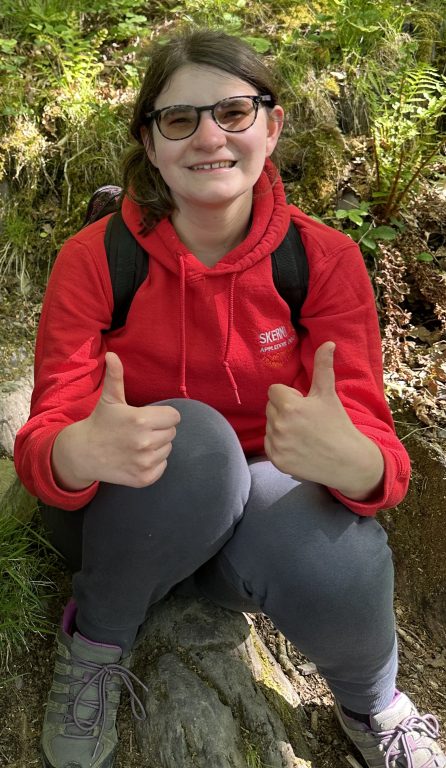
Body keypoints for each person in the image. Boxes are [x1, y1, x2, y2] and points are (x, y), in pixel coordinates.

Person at [14, 27, 445, 768]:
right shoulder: (95, 261)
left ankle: (375, 704)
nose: (209, 136)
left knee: (335, 546)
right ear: (151, 144)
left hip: (258, 535)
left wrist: (361, 465)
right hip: (132, 520)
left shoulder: (324, 261)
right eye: (180, 119)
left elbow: (376, 451)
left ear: (271, 126)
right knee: (200, 440)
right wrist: (73, 448)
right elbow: (46, 432)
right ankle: (95, 644)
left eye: (234, 113)